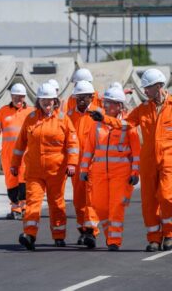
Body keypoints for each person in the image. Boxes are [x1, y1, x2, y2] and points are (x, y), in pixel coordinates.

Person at [89, 68, 172, 252]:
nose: (145, 91)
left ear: (159, 86)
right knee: (149, 202)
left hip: (168, 161)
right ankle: (154, 239)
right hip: (148, 162)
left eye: (148, 88)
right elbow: (126, 124)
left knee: (167, 197)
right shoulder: (142, 109)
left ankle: (169, 233)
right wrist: (105, 120)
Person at [10, 83, 79, 250]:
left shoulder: (63, 119)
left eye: (50, 100)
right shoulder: (31, 118)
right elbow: (20, 144)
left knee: (56, 203)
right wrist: (14, 164)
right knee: (33, 202)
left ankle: (59, 235)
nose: (47, 103)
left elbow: (72, 144)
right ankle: (29, 234)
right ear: (38, 100)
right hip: (34, 170)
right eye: (44, 100)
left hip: (56, 170)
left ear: (55, 101)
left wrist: (72, 163)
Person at [81, 87, 141, 251]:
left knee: (116, 207)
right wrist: (84, 169)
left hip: (121, 174)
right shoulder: (98, 125)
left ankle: (114, 241)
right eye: (105, 102)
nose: (106, 106)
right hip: (99, 173)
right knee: (99, 206)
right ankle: (110, 235)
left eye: (110, 103)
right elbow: (89, 149)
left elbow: (136, 152)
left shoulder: (129, 125)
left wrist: (135, 173)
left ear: (119, 106)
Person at [0, 83, 34, 220]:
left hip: (25, 154)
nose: (18, 99)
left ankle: (25, 206)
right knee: (11, 181)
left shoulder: (31, 112)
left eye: (21, 97)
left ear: (24, 97)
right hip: (8, 154)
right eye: (16, 96)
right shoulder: (3, 111)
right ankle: (15, 207)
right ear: (11, 96)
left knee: (24, 180)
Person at [66, 80, 102, 245]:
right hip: (76, 166)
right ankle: (82, 230)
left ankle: (91, 231)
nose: (81, 100)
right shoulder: (68, 116)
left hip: (94, 165)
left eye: (84, 97)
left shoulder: (99, 115)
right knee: (79, 200)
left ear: (92, 97)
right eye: (78, 97)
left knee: (91, 198)